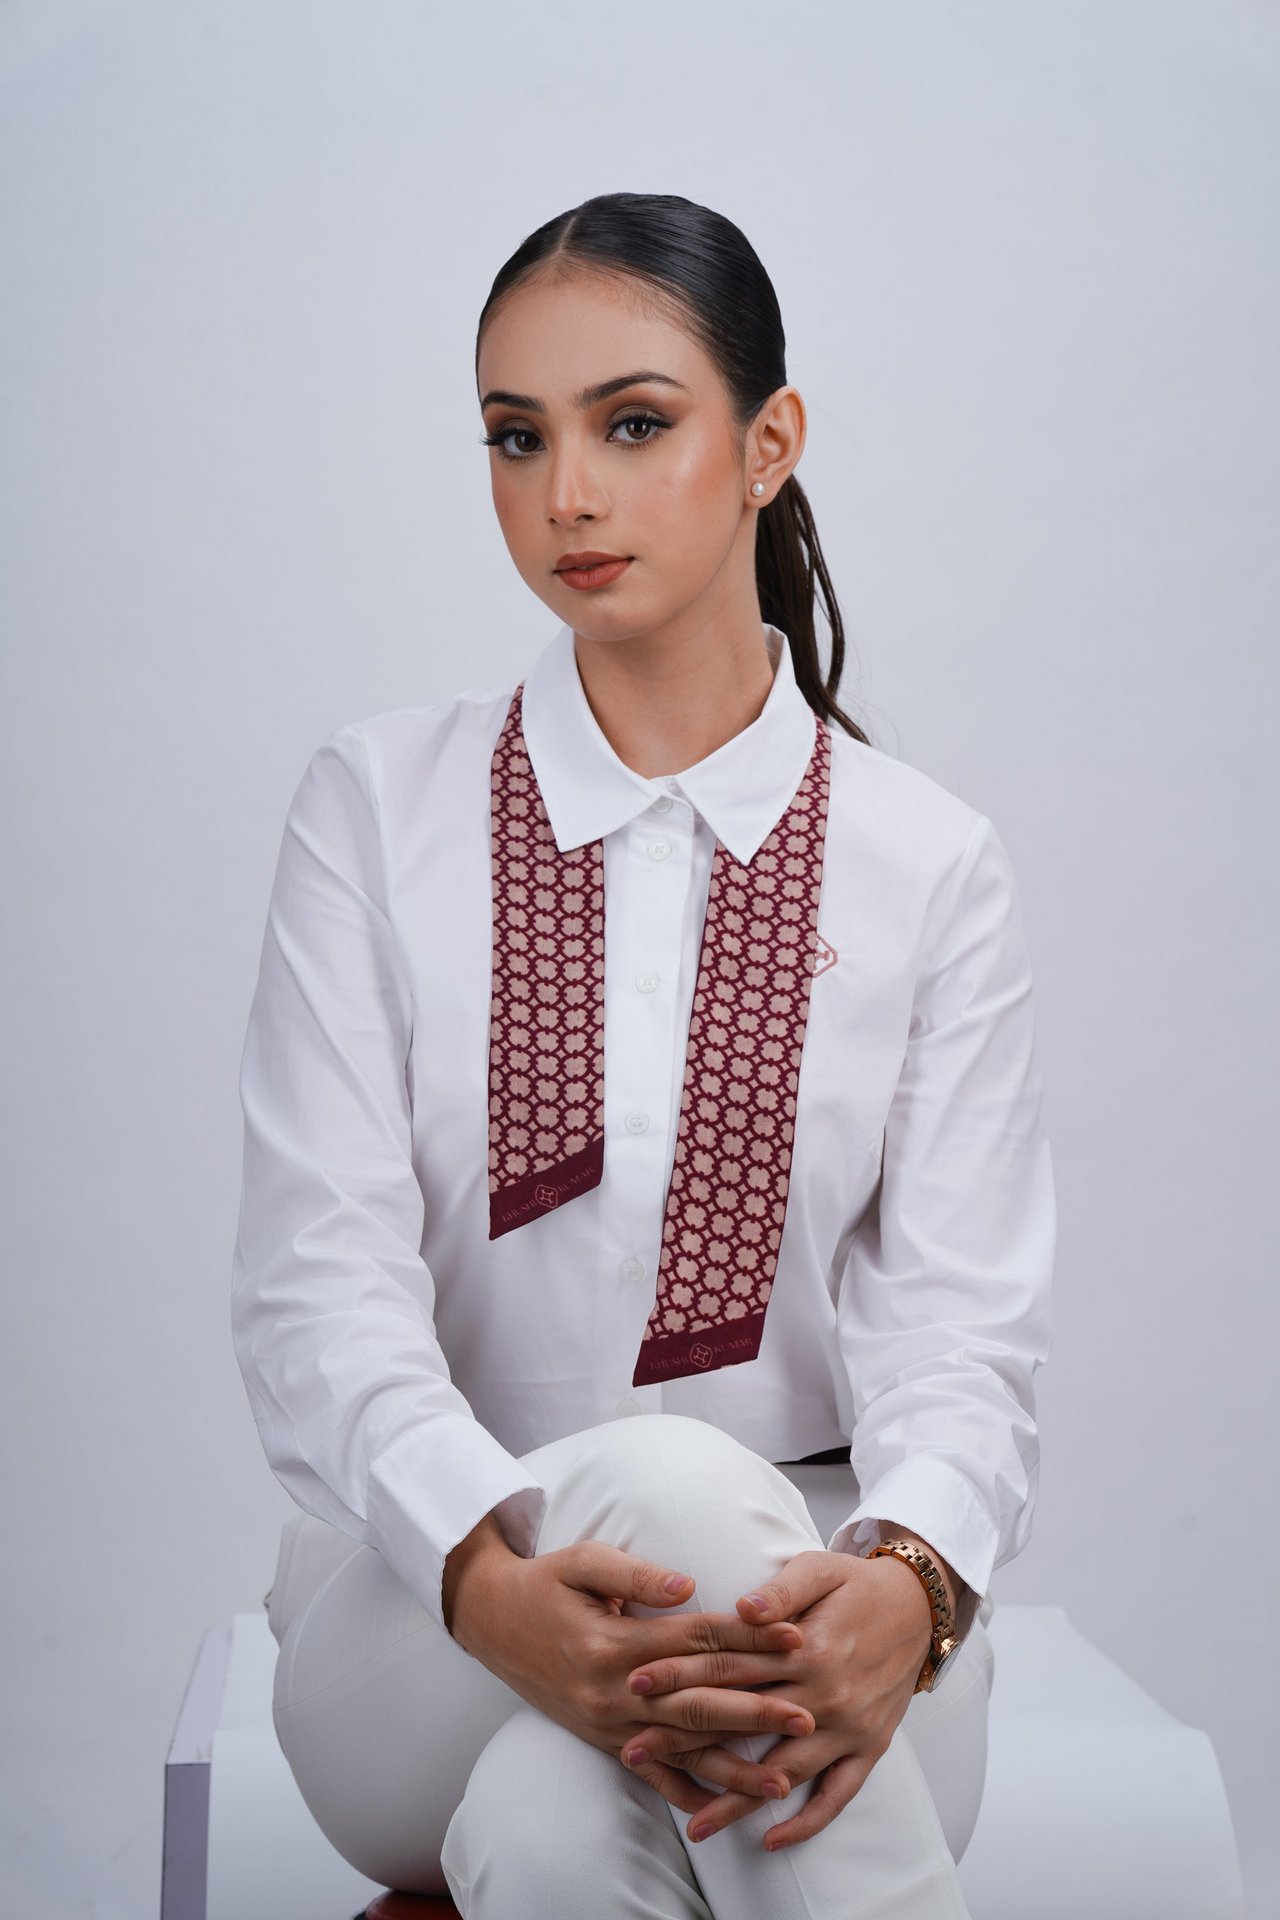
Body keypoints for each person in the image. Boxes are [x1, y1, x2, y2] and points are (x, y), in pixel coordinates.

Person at [230, 190, 1056, 1919]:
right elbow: (319, 1289)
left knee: (554, 1831)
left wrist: (908, 1583)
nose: (565, 497)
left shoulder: (927, 864)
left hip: (838, 1630)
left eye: (631, 424)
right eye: (515, 437)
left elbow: (961, 1339)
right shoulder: (378, 809)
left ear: (771, 444)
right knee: (671, 1480)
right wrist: (487, 1582)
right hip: (427, 1629)